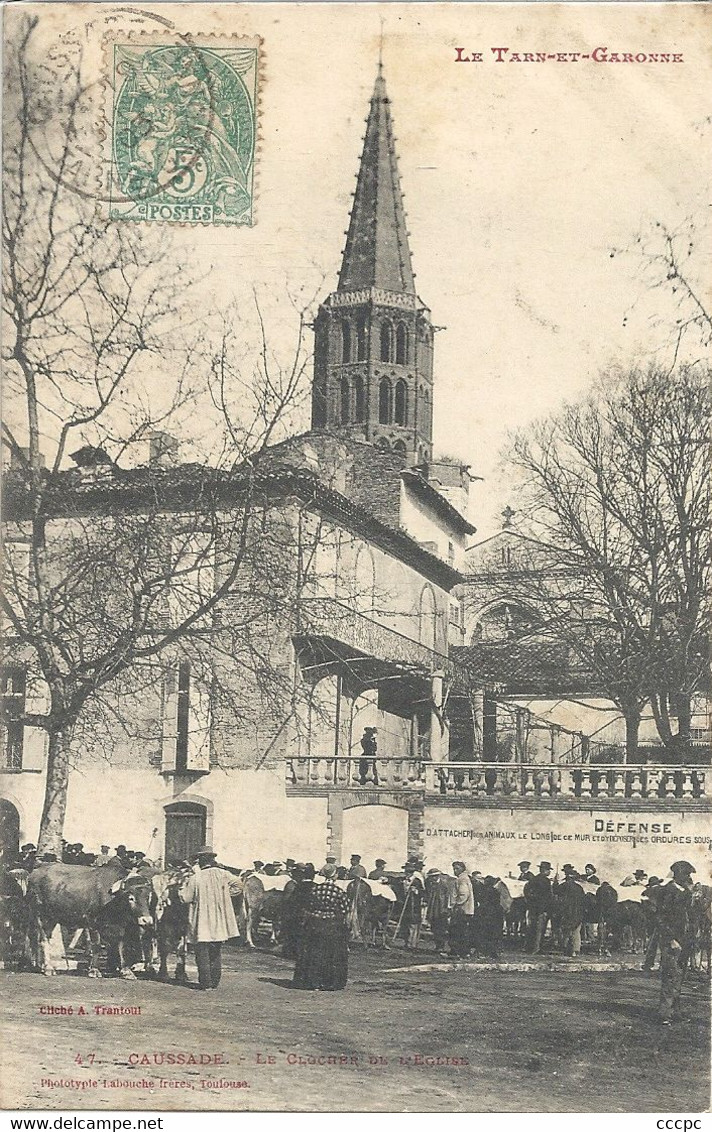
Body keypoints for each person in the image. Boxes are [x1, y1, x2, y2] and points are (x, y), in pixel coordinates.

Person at [179, 845, 239, 991]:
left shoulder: (195, 877)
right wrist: (226, 895)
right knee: (216, 950)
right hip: (219, 919)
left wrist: (181, 890)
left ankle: (205, 983)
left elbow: (186, 898)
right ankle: (215, 981)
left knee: (202, 951)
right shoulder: (224, 874)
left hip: (202, 920)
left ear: (200, 861)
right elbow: (239, 884)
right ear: (212, 859)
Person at [293, 863, 350, 991]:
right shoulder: (339, 892)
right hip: (331, 925)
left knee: (312, 953)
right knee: (329, 954)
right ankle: (328, 982)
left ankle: (310, 981)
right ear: (334, 875)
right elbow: (345, 909)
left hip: (314, 924)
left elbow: (307, 905)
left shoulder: (315, 889)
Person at [658, 860, 695, 1024]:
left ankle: (675, 1011)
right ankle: (664, 1014)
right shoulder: (668, 892)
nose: (688, 877)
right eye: (686, 874)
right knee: (670, 976)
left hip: (684, 941)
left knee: (680, 976)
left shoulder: (686, 893)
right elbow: (660, 919)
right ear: (677, 874)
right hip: (671, 941)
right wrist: (670, 939)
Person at [555, 866, 586, 957]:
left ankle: (566, 948)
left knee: (566, 930)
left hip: (567, 911)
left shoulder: (564, 886)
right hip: (578, 912)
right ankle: (576, 950)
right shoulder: (579, 887)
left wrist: (555, 882)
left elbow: (556, 891)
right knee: (576, 931)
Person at [525, 861, 553, 954]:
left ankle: (529, 948)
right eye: (549, 870)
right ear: (545, 870)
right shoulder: (546, 881)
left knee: (532, 928)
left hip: (533, 908)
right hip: (542, 909)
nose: (549, 872)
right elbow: (548, 896)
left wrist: (530, 902)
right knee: (540, 930)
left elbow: (526, 891)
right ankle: (536, 949)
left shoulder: (533, 879)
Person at [449, 861, 474, 958]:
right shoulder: (464, 878)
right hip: (466, 909)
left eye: (457, 868)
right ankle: (462, 952)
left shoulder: (462, 879)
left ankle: (459, 952)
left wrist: (456, 905)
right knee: (462, 931)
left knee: (458, 931)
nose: (455, 871)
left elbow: (463, 894)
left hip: (462, 910)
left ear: (462, 869)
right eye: (454, 868)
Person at [398, 862, 425, 950]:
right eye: (406, 871)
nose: (407, 873)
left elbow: (423, 892)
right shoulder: (403, 880)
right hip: (405, 906)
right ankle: (406, 942)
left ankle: (413, 944)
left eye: (409, 871)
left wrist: (416, 891)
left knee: (414, 924)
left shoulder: (417, 881)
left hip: (414, 906)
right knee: (405, 924)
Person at [426, 868, 453, 955]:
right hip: (433, 909)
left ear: (438, 876)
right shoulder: (431, 885)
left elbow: (448, 897)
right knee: (434, 928)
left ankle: (441, 946)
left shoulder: (444, 885)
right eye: (431, 877)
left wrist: (447, 908)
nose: (433, 878)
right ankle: (437, 945)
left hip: (441, 910)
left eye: (434, 876)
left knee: (441, 928)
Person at [641, 876, 664, 973]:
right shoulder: (663, 891)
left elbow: (644, 907)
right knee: (664, 944)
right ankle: (663, 965)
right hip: (663, 919)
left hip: (651, 920)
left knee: (652, 943)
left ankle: (648, 964)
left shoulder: (646, 892)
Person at [479, 878, 505, 959]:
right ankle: (494, 952)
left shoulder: (484, 891)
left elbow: (483, 902)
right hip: (496, 914)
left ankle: (487, 952)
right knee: (495, 934)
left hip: (488, 914)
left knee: (487, 934)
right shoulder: (495, 891)